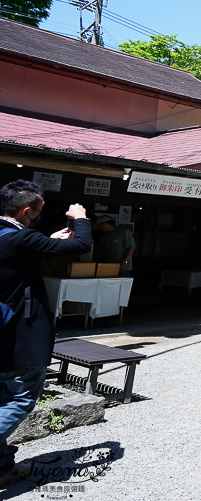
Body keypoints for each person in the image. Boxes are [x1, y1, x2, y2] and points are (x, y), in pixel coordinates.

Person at [0, 181, 91, 484]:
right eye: (38, 212)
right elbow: (80, 245)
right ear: (26, 211)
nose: (39, 216)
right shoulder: (21, 240)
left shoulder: (10, 237)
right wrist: (80, 219)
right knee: (21, 398)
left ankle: (2, 470)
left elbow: (18, 258)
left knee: (2, 399)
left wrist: (45, 240)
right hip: (18, 335)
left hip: (3, 331)